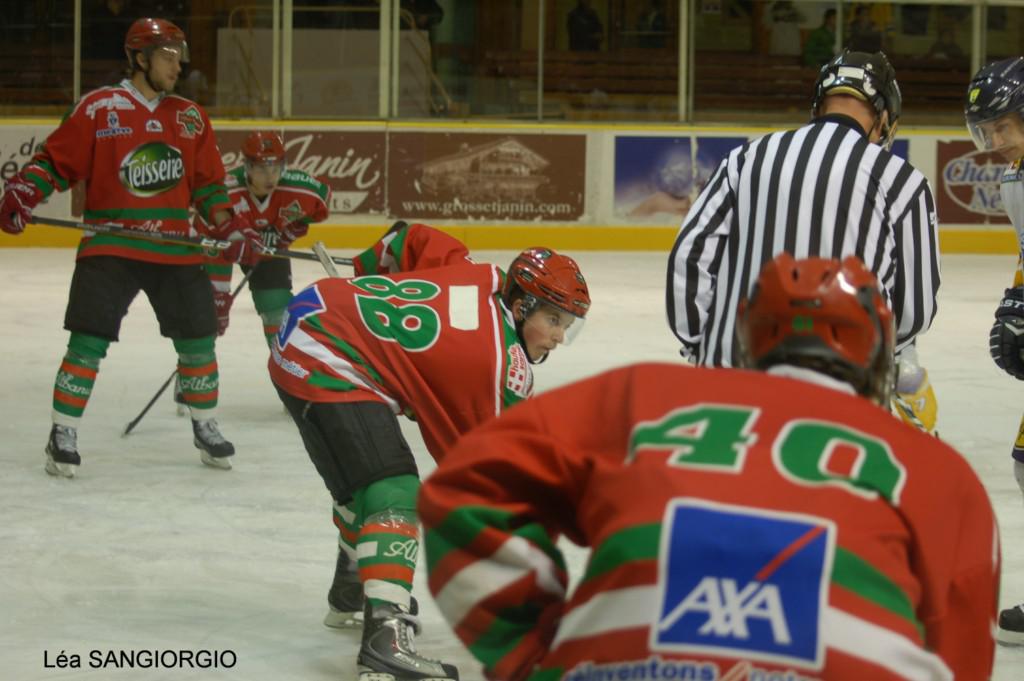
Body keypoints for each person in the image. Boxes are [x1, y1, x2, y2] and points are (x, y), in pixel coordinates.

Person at [420, 252, 999, 681]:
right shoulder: (939, 471)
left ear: (749, 342)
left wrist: (532, 656)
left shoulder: (641, 394)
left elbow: (469, 486)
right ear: (876, 356)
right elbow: (962, 649)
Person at [268, 222, 590, 680]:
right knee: (393, 490)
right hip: (327, 354)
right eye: (554, 320)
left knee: (362, 480)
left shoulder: (476, 273)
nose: (559, 336)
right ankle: (385, 638)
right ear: (522, 306)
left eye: (567, 325)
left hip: (312, 317)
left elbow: (408, 237)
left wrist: (363, 278)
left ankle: (353, 586)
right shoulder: (501, 370)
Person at [0, 18, 261, 477]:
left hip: (176, 247)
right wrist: (25, 191)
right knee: (87, 341)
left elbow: (210, 188)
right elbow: (56, 163)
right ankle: (63, 432)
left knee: (199, 341)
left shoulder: (190, 116)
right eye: (167, 55)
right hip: (111, 244)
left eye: (179, 55)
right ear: (139, 58)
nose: (177, 64)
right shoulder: (99, 108)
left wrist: (230, 228)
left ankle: (205, 425)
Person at [666, 49, 940, 433]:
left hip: (731, 380)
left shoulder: (745, 158)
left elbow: (690, 257)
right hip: (846, 386)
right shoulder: (903, 181)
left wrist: (704, 348)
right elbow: (915, 309)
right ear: (883, 117)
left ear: (818, 105)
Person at [965, 55, 1024, 645]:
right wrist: (1017, 299)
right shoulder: (1015, 179)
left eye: (1003, 125)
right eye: (987, 130)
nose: (995, 141)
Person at [197, 130, 330, 346]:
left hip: (268, 249)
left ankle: (285, 364)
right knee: (207, 315)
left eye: (275, 168)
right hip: (224, 246)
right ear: (247, 166)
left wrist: (290, 230)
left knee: (277, 310)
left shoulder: (298, 188)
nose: (270, 177)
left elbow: (322, 201)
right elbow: (204, 230)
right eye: (261, 169)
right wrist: (217, 293)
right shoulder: (226, 189)